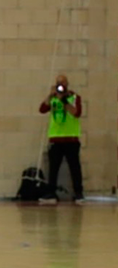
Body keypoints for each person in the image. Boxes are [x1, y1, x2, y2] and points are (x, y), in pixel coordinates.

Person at [39, 74, 84, 205]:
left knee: (74, 167)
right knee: (53, 167)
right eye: (58, 83)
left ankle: (78, 193)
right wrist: (50, 95)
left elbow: (77, 113)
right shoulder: (53, 98)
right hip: (56, 139)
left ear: (67, 84)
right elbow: (42, 109)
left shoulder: (74, 97)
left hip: (71, 139)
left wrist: (64, 100)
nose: (61, 86)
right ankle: (51, 193)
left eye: (63, 83)